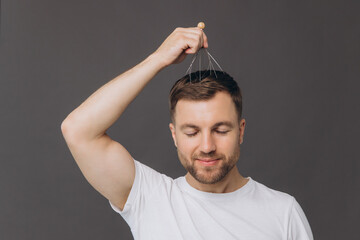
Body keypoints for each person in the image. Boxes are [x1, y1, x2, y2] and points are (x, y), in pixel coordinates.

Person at [61, 25, 313, 240]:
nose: (207, 146)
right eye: (192, 132)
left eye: (221, 130)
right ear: (174, 135)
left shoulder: (283, 212)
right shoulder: (150, 199)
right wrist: (158, 58)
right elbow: (78, 130)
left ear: (241, 131)